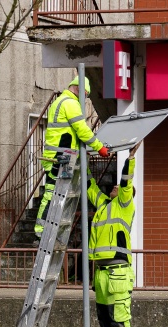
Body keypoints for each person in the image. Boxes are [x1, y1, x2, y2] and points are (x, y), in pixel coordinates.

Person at [36, 76, 111, 238]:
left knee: (87, 182)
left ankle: (106, 206)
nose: (85, 98)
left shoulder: (60, 101)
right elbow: (82, 130)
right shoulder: (70, 104)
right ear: (80, 89)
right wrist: (100, 148)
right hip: (61, 158)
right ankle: (41, 230)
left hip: (64, 157)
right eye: (86, 94)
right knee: (52, 193)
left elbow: (73, 132)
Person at [90, 141, 140, 327]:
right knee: (105, 319)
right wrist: (80, 165)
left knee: (118, 318)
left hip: (117, 272)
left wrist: (129, 159)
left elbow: (126, 181)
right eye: (114, 187)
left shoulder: (124, 205)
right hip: (101, 273)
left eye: (118, 188)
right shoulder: (104, 206)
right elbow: (91, 189)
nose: (115, 188)